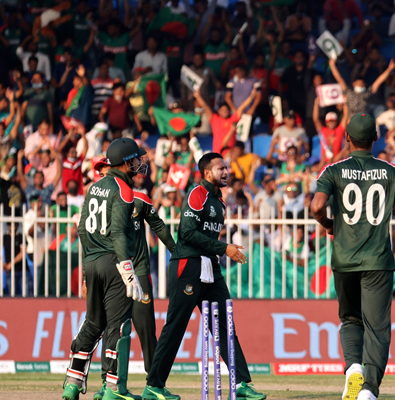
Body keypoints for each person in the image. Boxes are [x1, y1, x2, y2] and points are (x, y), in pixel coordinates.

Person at [311, 113, 395, 400]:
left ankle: (353, 367)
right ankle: (369, 390)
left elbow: (316, 207)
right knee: (377, 327)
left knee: (350, 319)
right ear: (375, 138)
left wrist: (330, 225)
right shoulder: (390, 171)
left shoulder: (333, 170)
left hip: (344, 258)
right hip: (378, 260)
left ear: (347, 138)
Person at [144, 153, 266, 400]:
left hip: (211, 268)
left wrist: (218, 251)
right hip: (188, 266)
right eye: (221, 168)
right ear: (207, 173)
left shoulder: (220, 202)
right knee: (176, 326)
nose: (226, 172)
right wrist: (224, 248)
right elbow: (186, 234)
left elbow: (208, 239)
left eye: (226, 168)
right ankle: (153, 386)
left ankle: (242, 383)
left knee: (224, 326)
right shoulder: (196, 194)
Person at [62, 138, 147, 400]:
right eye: (135, 159)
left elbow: (81, 230)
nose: (138, 163)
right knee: (117, 326)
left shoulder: (94, 187)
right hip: (114, 261)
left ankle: (72, 384)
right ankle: (112, 388)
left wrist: (88, 270)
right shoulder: (124, 189)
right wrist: (128, 271)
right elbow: (119, 234)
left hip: (92, 260)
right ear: (125, 162)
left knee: (93, 322)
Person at [91, 188, 176, 399]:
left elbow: (159, 227)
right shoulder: (102, 199)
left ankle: (154, 384)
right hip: (114, 271)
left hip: (139, 271)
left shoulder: (140, 199)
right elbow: (90, 238)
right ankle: (108, 384)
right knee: (113, 329)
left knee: (146, 329)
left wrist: (178, 251)